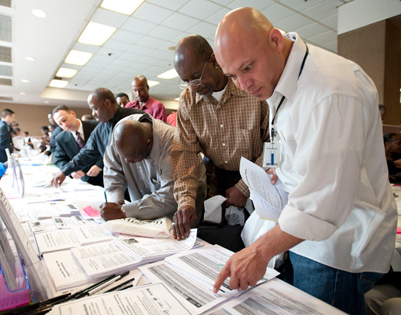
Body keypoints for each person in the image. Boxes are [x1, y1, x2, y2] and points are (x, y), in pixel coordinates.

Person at [212, 7, 397, 314]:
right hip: (301, 234)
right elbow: (299, 146)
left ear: (275, 40)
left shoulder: (330, 90)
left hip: (338, 245)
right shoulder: (280, 76)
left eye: (247, 68)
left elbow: (323, 202)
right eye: (232, 75)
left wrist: (258, 252)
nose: (243, 85)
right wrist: (281, 169)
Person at [171, 34, 269, 251]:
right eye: (186, 81)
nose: (193, 86)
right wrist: (186, 201)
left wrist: (245, 186)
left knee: (258, 247)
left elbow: (274, 147)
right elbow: (185, 154)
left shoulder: (250, 89)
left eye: (196, 76)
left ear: (214, 61)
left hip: (261, 178)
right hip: (219, 181)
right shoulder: (188, 101)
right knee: (222, 246)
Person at [102, 113, 206, 221]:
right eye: (123, 157)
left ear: (148, 144)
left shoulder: (175, 144)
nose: (127, 162)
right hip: (140, 213)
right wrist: (116, 204)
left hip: (176, 211)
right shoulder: (121, 132)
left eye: (133, 158)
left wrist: (124, 211)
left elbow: (170, 196)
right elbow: (112, 170)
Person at [51, 88, 144, 187]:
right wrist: (65, 171)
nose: (93, 114)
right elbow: (86, 153)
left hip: (142, 178)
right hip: (119, 181)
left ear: (107, 103)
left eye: (95, 108)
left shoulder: (137, 117)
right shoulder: (100, 129)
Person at [51, 105, 103, 186]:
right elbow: (58, 159)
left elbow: (109, 149)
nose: (64, 125)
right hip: (86, 180)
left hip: (107, 173)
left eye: (64, 120)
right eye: (60, 124)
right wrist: (70, 171)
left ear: (72, 113)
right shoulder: (61, 138)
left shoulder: (97, 126)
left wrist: (99, 165)